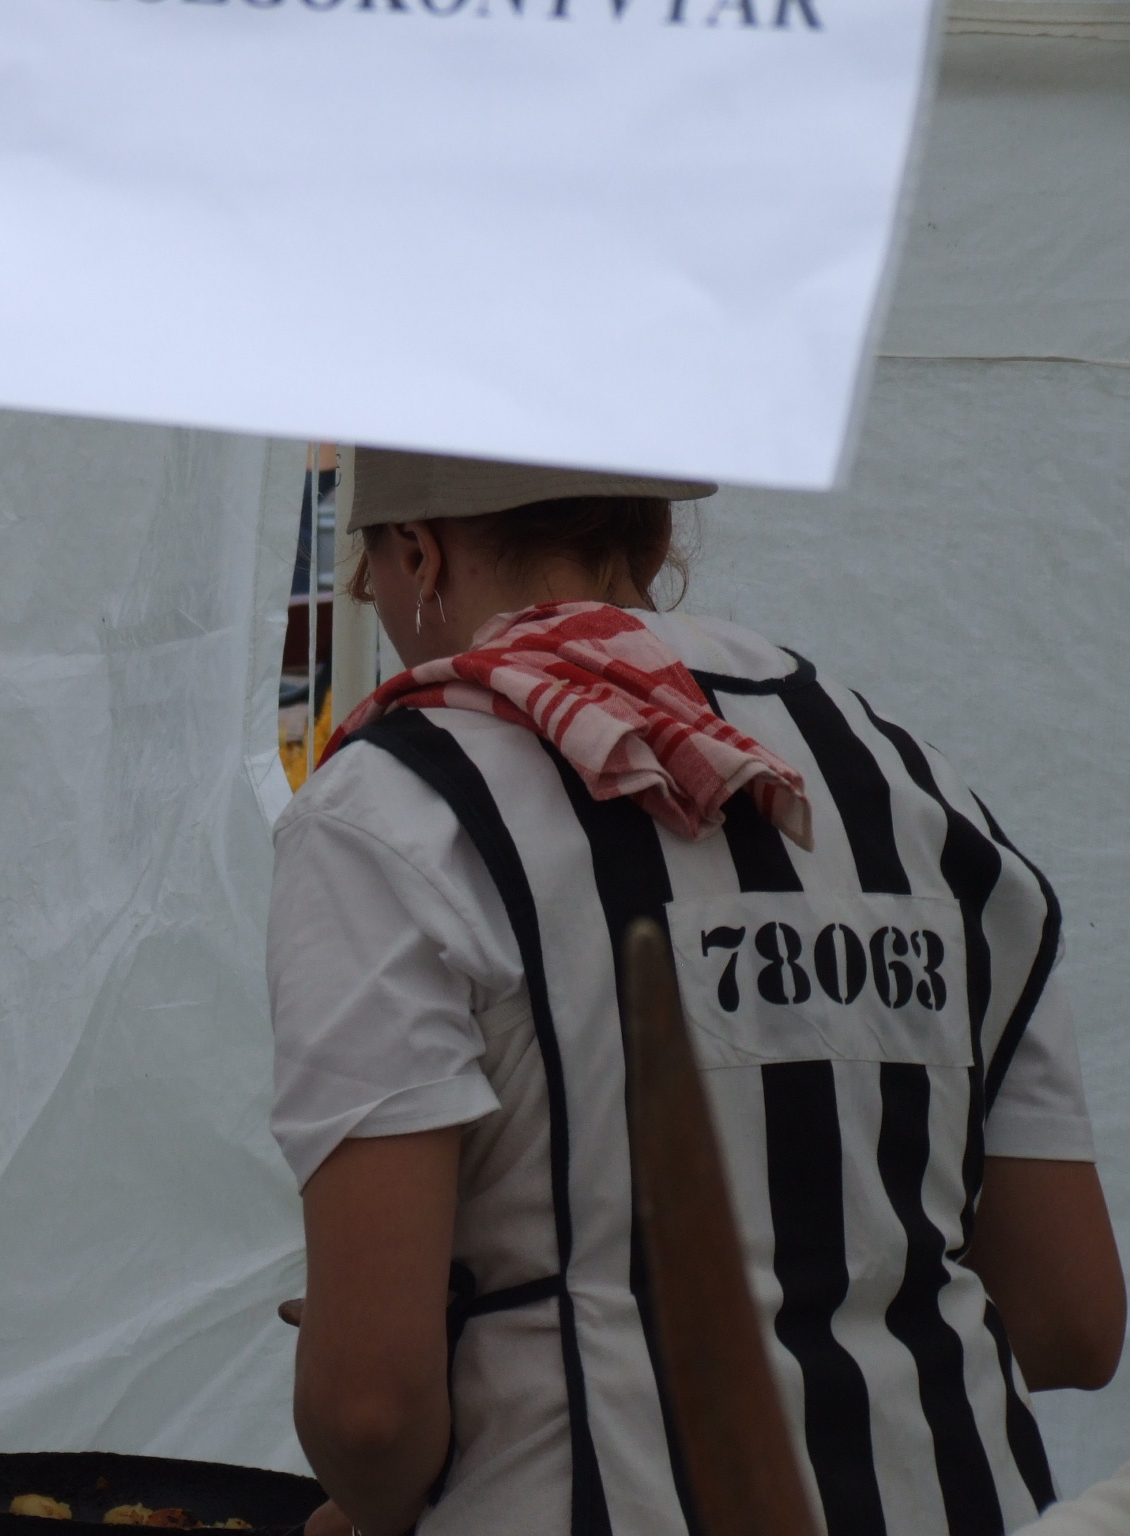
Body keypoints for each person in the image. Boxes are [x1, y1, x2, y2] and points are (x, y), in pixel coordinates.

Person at [267, 449, 1124, 1536]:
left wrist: (377, 1501)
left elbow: (370, 1411)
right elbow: (1069, 1320)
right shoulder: (916, 792)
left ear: (416, 551)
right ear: (657, 533)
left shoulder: (393, 810)